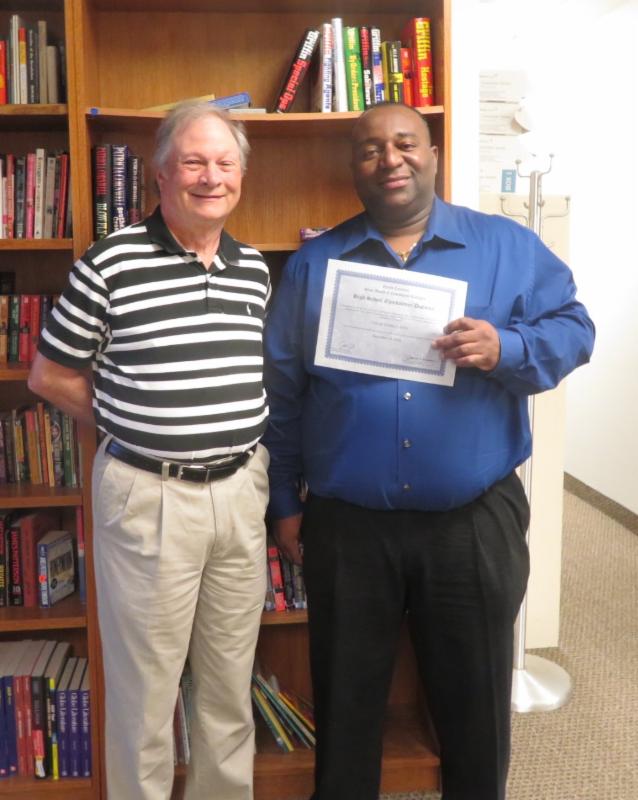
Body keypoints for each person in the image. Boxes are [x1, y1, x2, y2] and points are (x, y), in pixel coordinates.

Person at [263, 102, 595, 800]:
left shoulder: (506, 247)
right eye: (370, 149)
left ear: (434, 154)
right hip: (349, 526)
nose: (390, 159)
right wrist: (285, 500)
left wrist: (509, 348)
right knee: (347, 702)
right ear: (354, 168)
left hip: (472, 521)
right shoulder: (315, 264)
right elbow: (284, 393)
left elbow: (575, 329)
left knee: (475, 705)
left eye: (406, 143)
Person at [29, 101, 271, 800]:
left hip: (239, 493)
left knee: (229, 686)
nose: (210, 177)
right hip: (150, 497)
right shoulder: (110, 263)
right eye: (193, 162)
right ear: (161, 175)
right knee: (145, 695)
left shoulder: (253, 268)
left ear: (240, 176)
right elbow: (50, 375)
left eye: (224, 163)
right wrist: (131, 424)